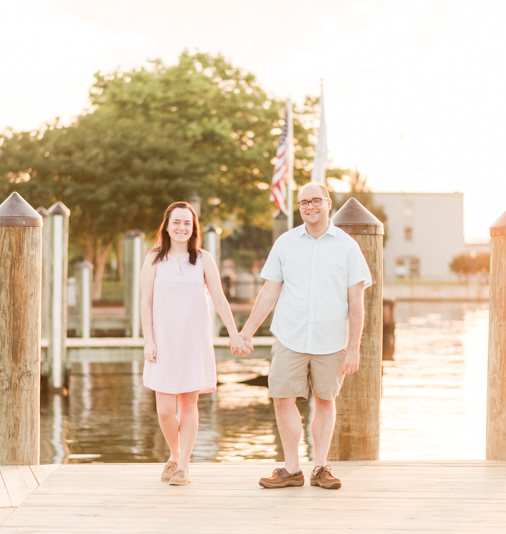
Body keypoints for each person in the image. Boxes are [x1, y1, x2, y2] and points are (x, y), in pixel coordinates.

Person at [239, 183, 372, 490]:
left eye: (315, 200)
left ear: (328, 203)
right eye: (303, 203)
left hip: (332, 340)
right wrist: (247, 330)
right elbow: (269, 291)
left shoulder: (347, 246)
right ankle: (291, 469)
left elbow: (356, 301)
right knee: (282, 398)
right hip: (290, 336)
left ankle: (321, 468)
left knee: (326, 400)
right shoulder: (285, 243)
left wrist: (354, 347)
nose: (309, 206)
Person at [141, 201, 249, 486]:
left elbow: (219, 298)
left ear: (193, 228)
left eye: (187, 223)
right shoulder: (153, 258)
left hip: (193, 342)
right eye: (176, 222)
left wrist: (234, 333)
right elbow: (145, 301)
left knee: (188, 405)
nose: (181, 228)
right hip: (162, 342)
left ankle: (184, 466)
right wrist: (148, 340)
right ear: (166, 225)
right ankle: (175, 455)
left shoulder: (203, 259)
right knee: (164, 410)